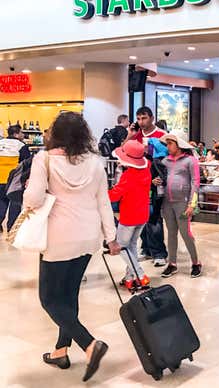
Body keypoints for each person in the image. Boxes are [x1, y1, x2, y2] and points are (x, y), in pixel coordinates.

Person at [23, 112, 120, 382]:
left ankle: (90, 345)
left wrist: (32, 189)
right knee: (68, 295)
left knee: (49, 300)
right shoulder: (95, 162)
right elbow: (104, 202)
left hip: (58, 237)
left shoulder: (44, 160)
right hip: (88, 237)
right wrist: (111, 237)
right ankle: (60, 351)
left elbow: (32, 199)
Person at [155, 131, 202, 278]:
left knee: (186, 233)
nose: (167, 146)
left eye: (170, 143)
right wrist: (155, 181)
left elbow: (196, 182)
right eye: (167, 143)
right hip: (167, 202)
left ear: (179, 144)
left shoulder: (190, 160)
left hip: (183, 202)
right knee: (171, 233)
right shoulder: (165, 161)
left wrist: (192, 204)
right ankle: (172, 263)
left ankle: (195, 263)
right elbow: (161, 177)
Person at [108, 140, 152, 291]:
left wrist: (100, 195)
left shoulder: (128, 176)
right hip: (142, 214)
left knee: (121, 246)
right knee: (131, 246)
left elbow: (114, 195)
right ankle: (129, 278)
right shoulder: (146, 170)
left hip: (129, 216)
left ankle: (140, 275)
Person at [128, 107, 168, 267]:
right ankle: (146, 248)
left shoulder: (161, 135)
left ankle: (159, 252)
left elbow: (168, 158)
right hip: (139, 180)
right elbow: (124, 151)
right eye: (138, 118)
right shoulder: (136, 135)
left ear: (151, 118)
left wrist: (161, 178)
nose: (141, 122)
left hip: (156, 180)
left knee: (154, 216)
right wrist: (129, 136)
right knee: (141, 215)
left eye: (144, 118)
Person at [0, 124, 31, 231]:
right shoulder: (21, 146)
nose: (23, 134)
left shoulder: (0, 143)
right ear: (16, 134)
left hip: (0, 179)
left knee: (1, 202)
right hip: (14, 180)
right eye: (21, 132)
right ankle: (12, 228)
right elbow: (27, 164)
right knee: (15, 203)